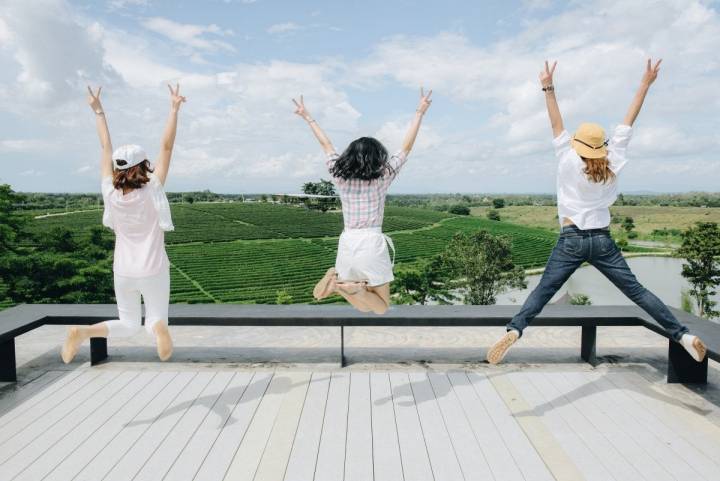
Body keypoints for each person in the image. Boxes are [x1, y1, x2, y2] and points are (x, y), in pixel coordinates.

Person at [487, 59, 707, 365]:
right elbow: (628, 123)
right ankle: (682, 335)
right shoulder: (613, 162)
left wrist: (548, 87)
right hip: (603, 241)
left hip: (571, 238)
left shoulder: (567, 159)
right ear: (601, 147)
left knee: (544, 290)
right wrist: (645, 83)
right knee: (637, 291)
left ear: (578, 145)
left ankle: (516, 329)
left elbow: (555, 123)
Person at [61, 83, 186, 363]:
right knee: (154, 317)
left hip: (123, 269)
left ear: (118, 168)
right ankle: (159, 329)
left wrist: (98, 111)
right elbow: (167, 147)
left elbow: (105, 146)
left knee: (128, 323)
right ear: (144, 166)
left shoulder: (109, 191)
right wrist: (174, 108)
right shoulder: (153, 188)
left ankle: (82, 332)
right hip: (152, 268)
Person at [293, 88, 432, 314]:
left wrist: (308, 117)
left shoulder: (339, 176)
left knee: (365, 308)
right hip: (371, 242)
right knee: (381, 307)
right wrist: (419, 112)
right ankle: (349, 289)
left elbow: (326, 146)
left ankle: (340, 287)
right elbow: (406, 148)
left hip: (347, 242)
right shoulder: (382, 177)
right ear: (378, 157)